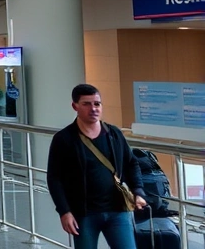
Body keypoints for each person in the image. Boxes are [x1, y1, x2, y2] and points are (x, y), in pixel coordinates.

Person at [47, 84, 147, 249]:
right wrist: (64, 211)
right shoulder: (64, 139)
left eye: (97, 104)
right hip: (84, 214)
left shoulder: (113, 134)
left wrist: (138, 192)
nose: (93, 108)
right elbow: (54, 178)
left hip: (117, 210)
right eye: (86, 104)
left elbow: (131, 163)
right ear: (75, 106)